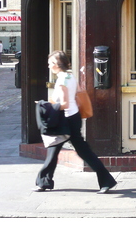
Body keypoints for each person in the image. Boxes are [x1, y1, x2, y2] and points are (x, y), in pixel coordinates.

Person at [35, 50, 117, 194]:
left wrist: (45, 105)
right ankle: (44, 182)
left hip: (66, 119)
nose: (48, 66)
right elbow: (77, 95)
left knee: (82, 152)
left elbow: (65, 103)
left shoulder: (61, 81)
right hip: (73, 117)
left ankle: (106, 181)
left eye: (50, 63)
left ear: (56, 65)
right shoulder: (70, 76)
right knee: (55, 151)